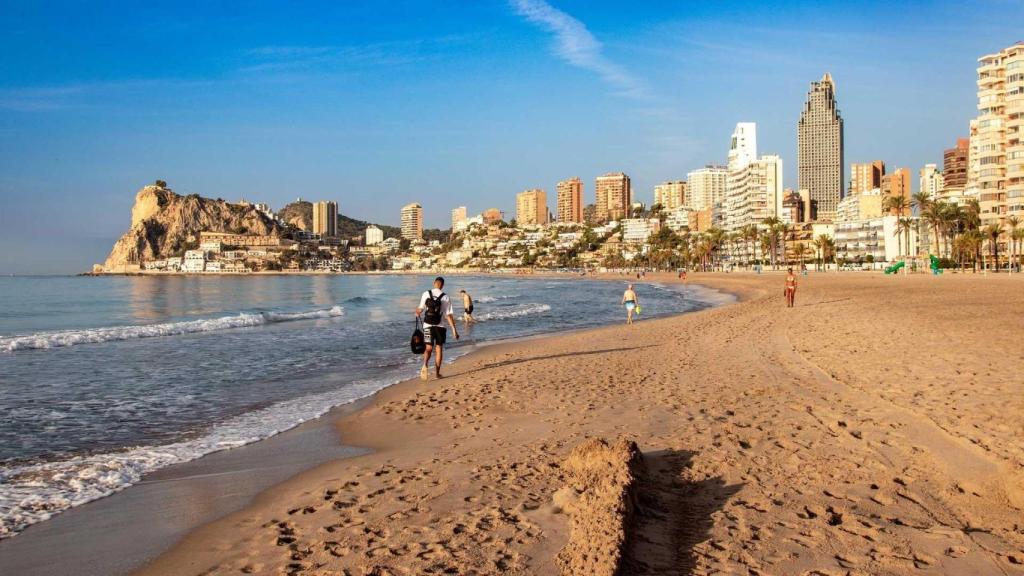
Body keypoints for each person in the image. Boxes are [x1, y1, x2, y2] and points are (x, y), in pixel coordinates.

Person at [415, 277, 459, 380]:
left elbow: (420, 309)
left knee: (428, 348)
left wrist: (417, 312)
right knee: (438, 349)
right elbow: (448, 315)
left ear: (434, 283)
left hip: (427, 325)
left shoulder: (426, 293)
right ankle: (437, 374)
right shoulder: (445, 297)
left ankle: (425, 364)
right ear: (442, 285)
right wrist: (454, 330)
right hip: (440, 327)